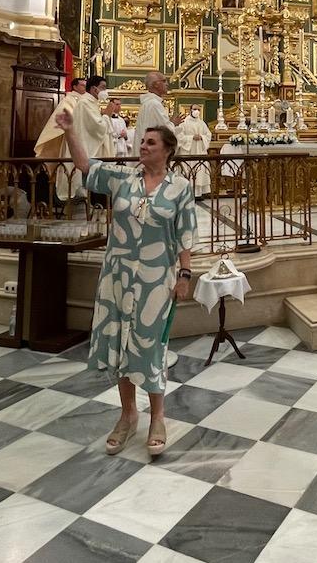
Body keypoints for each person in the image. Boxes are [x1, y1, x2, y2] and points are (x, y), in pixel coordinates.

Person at [55, 111, 195, 456]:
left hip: (155, 279)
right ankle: (128, 415)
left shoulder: (180, 187)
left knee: (150, 346)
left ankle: (157, 417)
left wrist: (185, 274)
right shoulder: (122, 178)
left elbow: (185, 234)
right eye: (142, 141)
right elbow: (85, 165)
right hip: (117, 276)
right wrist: (71, 130)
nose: (143, 147)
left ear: (167, 150)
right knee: (119, 344)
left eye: (150, 143)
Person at [35, 77, 93, 198]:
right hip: (71, 141)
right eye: (82, 85)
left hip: (84, 140)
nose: (85, 88)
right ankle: (70, 193)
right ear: (75, 87)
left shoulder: (87, 100)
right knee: (71, 169)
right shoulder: (69, 100)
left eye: (86, 85)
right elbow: (65, 118)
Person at [175, 104, 213, 195]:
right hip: (188, 151)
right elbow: (179, 136)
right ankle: (187, 192)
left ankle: (198, 193)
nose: (197, 111)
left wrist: (202, 137)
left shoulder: (202, 123)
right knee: (188, 170)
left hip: (200, 150)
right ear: (190, 110)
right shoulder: (184, 122)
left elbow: (208, 135)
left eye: (198, 109)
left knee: (200, 171)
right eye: (195, 109)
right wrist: (191, 137)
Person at [135, 72, 176, 152]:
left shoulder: (148, 103)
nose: (167, 84)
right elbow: (165, 131)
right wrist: (174, 124)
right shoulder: (154, 104)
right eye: (164, 81)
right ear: (156, 84)